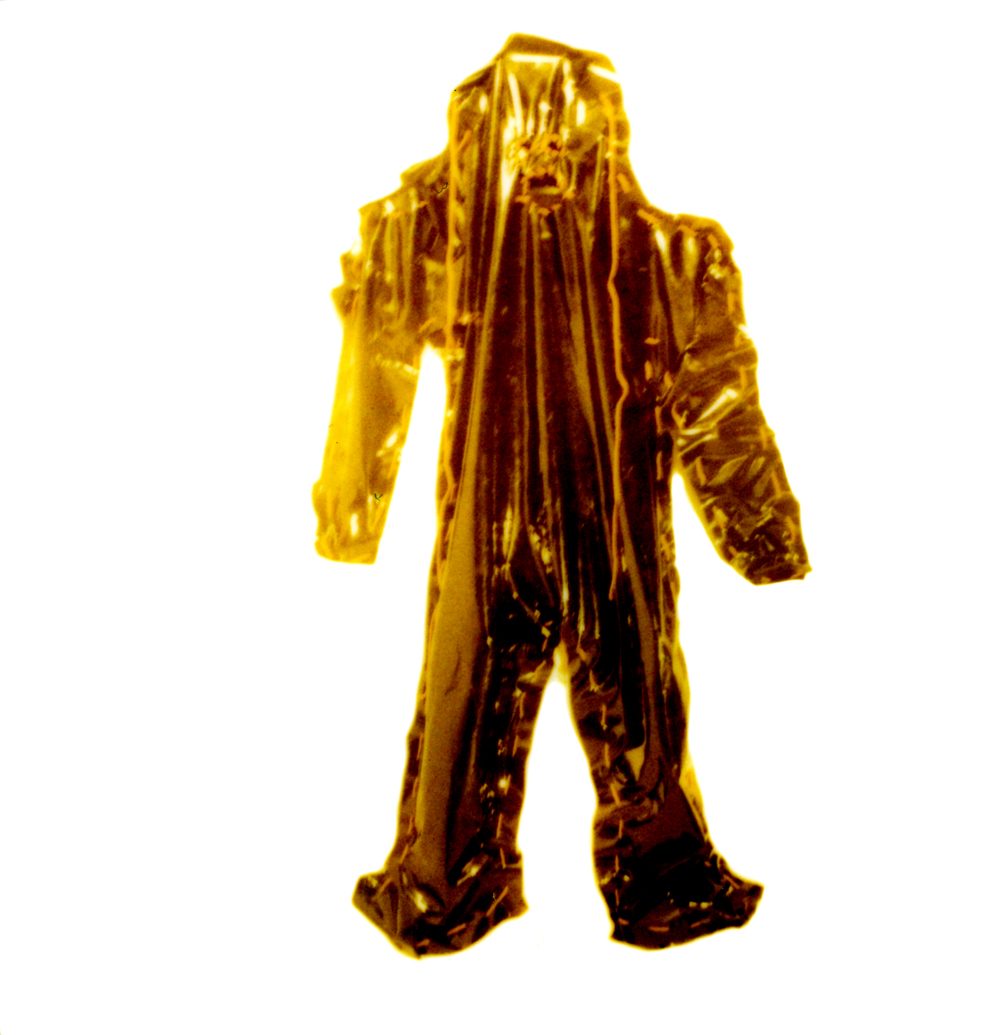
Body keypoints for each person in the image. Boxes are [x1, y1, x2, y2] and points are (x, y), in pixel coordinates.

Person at [313, 33, 810, 956]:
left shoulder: (668, 254)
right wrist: (352, 504)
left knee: (611, 708)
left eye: (562, 140)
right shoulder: (439, 230)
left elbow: (718, 400)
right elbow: (374, 350)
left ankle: (509, 880)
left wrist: (763, 531)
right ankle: (472, 878)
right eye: (522, 142)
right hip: (515, 525)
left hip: (583, 526)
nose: (541, 160)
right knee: (479, 712)